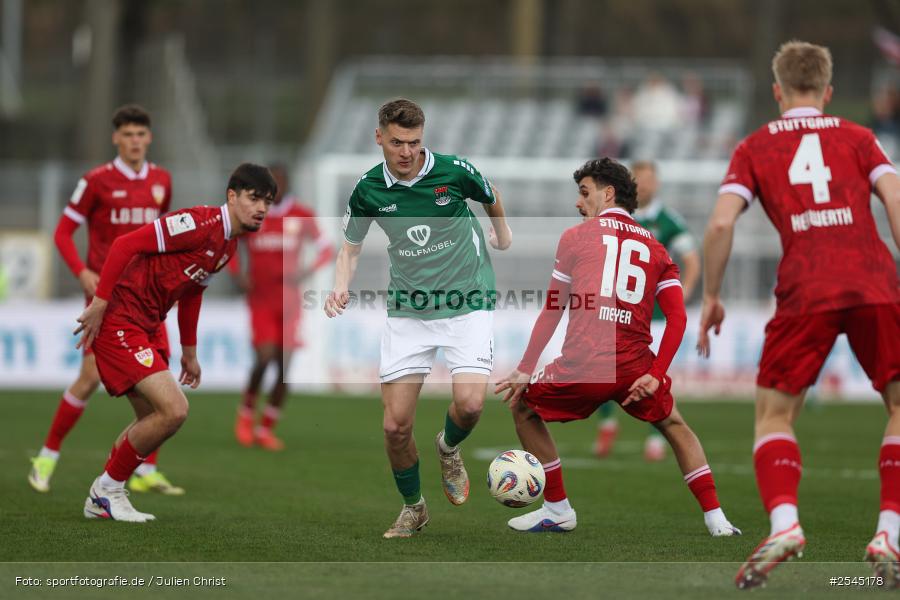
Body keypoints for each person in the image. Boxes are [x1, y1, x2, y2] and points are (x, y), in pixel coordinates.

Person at [697, 41, 900, 589]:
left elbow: (719, 225)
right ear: (829, 92)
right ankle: (889, 533)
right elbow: (895, 197)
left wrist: (712, 295)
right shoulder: (859, 137)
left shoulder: (755, 145)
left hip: (806, 284)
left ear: (777, 91)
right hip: (873, 278)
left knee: (774, 414)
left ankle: (785, 523)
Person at [495, 158, 740, 538]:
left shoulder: (576, 237)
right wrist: (656, 375)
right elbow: (678, 320)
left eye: (584, 192)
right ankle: (717, 520)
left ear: (608, 193)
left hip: (584, 366)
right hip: (634, 368)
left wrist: (526, 367)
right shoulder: (657, 248)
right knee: (676, 426)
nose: (579, 203)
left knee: (523, 406)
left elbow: (553, 308)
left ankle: (558, 509)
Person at [325, 98, 512, 538]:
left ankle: (448, 448)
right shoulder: (367, 190)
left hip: (468, 300)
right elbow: (350, 247)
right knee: (394, 426)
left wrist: (502, 235)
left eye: (414, 142)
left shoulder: (454, 171)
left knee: (469, 405)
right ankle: (414, 508)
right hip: (408, 311)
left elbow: (492, 195)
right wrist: (340, 285)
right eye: (396, 143)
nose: (406, 151)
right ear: (379, 138)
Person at [73, 163, 276, 522]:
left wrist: (190, 353)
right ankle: (107, 489)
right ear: (232, 196)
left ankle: (104, 493)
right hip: (120, 318)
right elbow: (124, 244)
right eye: (254, 198)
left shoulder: (228, 246)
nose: (261, 208)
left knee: (153, 418)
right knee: (174, 410)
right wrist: (100, 303)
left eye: (267, 201)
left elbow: (192, 292)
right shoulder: (197, 224)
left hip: (146, 324)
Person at [28, 104, 184, 496]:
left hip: (148, 297)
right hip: (106, 296)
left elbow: (161, 239)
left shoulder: (162, 180)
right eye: (127, 134)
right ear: (116, 138)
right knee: (91, 376)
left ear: (149, 138)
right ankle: (47, 455)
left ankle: (147, 469)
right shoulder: (96, 181)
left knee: (156, 375)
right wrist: (82, 272)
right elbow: (63, 232)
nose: (134, 141)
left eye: (140, 134)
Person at [594, 160, 701, 462]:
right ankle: (607, 425)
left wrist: (685, 289)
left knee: (654, 376)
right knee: (604, 370)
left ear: (657, 183)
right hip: (618, 310)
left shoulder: (669, 221)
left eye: (649, 179)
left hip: (653, 314)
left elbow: (691, 258)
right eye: (639, 179)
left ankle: (656, 438)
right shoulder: (621, 216)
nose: (645, 185)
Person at [230, 164, 333, 451]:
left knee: (285, 366)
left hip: (289, 302)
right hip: (261, 300)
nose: (272, 189)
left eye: (277, 183)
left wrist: (306, 271)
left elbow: (327, 248)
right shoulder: (253, 214)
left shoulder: (301, 214)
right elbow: (229, 242)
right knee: (263, 358)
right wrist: (238, 274)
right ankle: (246, 413)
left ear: (286, 183)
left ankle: (266, 428)